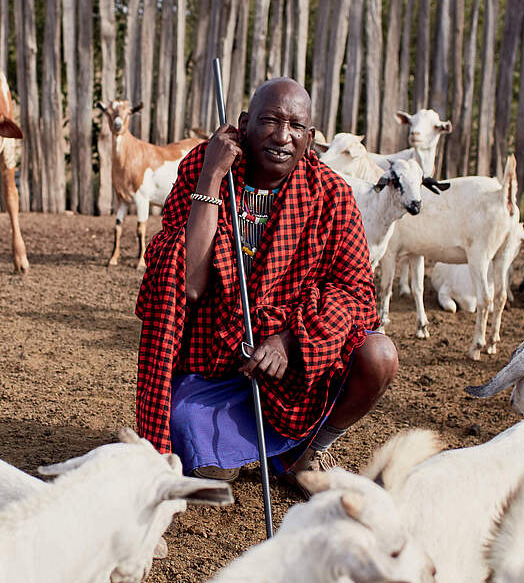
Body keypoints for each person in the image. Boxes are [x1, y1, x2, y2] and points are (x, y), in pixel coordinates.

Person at [135, 77, 398, 494]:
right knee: (187, 432)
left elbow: (354, 293)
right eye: (270, 121)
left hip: (296, 370)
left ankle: (307, 453)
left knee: (378, 355)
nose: (282, 136)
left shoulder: (331, 194)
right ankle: (229, 449)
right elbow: (188, 285)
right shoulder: (204, 167)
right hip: (216, 367)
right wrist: (212, 178)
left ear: (310, 138)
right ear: (244, 124)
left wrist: (290, 340)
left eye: (296, 126)